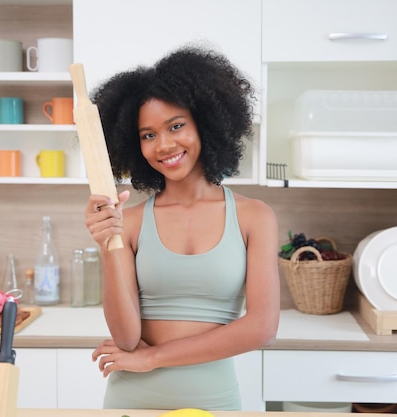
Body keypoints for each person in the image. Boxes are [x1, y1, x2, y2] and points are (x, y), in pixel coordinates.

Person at [84, 46, 280, 411]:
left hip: (214, 403)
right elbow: (126, 339)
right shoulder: (132, 221)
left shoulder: (255, 217)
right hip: (132, 400)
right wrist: (106, 242)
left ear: (205, 124)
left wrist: (153, 357)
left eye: (176, 126)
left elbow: (262, 327)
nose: (165, 145)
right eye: (148, 135)